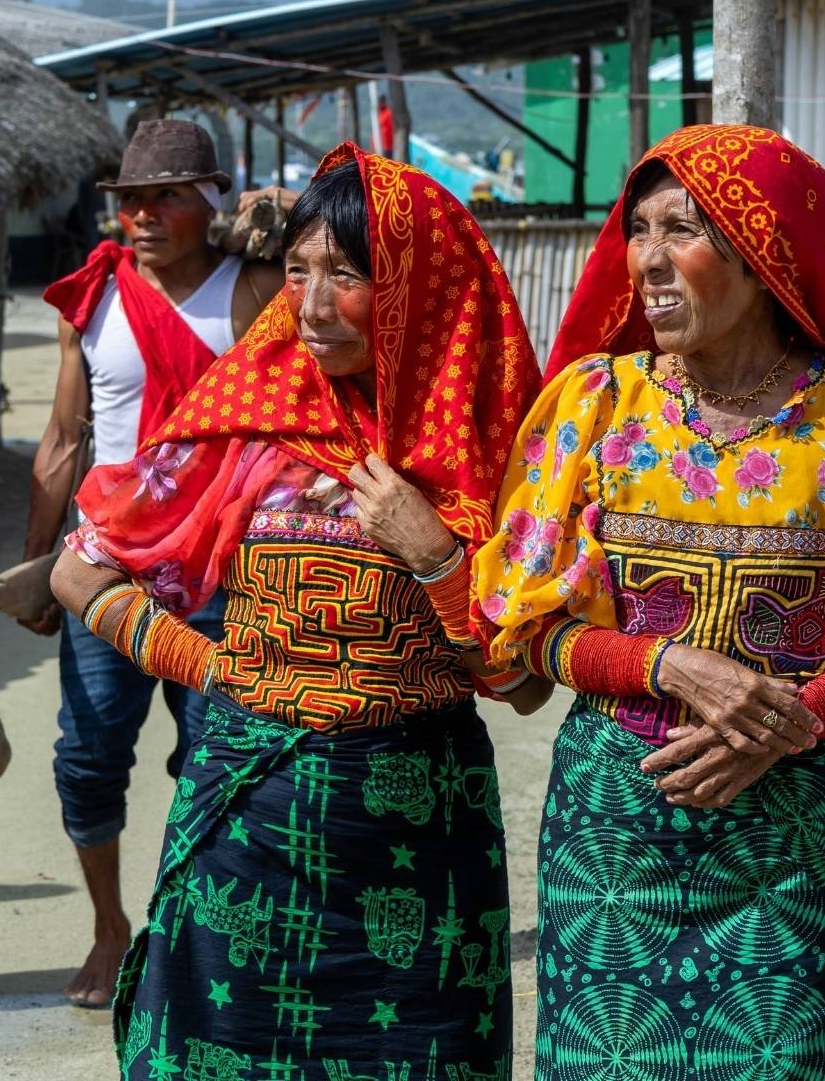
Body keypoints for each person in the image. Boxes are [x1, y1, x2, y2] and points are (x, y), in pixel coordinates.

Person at [474, 125, 825, 1078]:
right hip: (617, 836)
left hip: (785, 830)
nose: (647, 258)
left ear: (764, 259)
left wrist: (797, 717)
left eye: (683, 229)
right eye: (639, 229)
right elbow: (525, 624)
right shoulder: (598, 400)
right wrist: (662, 663)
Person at [50, 143, 550, 1077]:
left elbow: (518, 683)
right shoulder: (249, 420)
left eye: (347, 275)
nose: (313, 306)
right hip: (248, 824)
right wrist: (214, 670)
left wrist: (434, 553)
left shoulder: (499, 448)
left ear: (418, 289)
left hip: (417, 847)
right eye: (298, 270)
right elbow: (79, 572)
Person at [20, 119, 283, 1008]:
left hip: (223, 565)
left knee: (218, 754)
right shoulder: (93, 300)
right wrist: (35, 564)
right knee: (87, 754)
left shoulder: (254, 292)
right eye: (130, 200)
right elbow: (61, 441)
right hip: (107, 568)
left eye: (165, 197)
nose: (142, 215)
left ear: (208, 200)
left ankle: (186, 926)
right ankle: (108, 925)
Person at [376, 94, 396, 159]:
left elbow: (391, 128)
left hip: (388, 144)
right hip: (381, 144)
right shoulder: (379, 113)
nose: (380, 103)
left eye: (381, 101)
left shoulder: (388, 112)